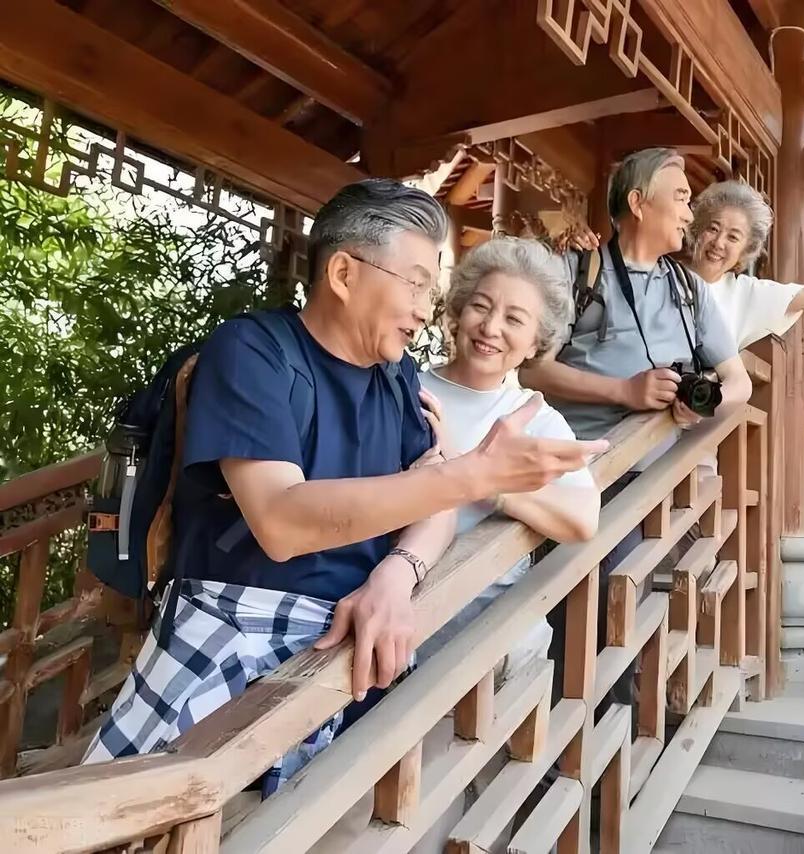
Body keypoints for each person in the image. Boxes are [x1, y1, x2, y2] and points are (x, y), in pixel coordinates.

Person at [82, 180, 606, 788]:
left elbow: (434, 499)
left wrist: (397, 574)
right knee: (138, 807)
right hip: (235, 625)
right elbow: (282, 522)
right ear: (343, 273)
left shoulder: (398, 376)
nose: (424, 307)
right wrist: (471, 474)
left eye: (429, 287)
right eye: (415, 281)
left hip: (354, 641)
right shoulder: (253, 351)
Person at [520, 147, 752, 712]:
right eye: (679, 197)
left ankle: (607, 748)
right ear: (637, 202)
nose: (689, 212)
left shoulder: (688, 289)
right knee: (578, 612)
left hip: (654, 477)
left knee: (626, 608)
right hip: (579, 470)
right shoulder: (576, 271)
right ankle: (571, 755)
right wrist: (623, 392)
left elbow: (739, 383)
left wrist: (700, 405)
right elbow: (531, 367)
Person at [416, 237, 600, 680]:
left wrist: (486, 483)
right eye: (481, 306)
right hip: (399, 612)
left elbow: (582, 519)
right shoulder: (406, 389)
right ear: (458, 312)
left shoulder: (535, 417)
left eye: (514, 319)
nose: (491, 327)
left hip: (489, 628)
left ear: (537, 342)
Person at [570, 179, 804, 351]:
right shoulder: (659, 270)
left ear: (745, 251)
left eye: (733, 237)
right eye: (713, 229)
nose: (718, 243)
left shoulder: (745, 294)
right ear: (696, 231)